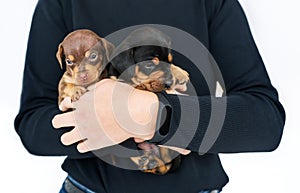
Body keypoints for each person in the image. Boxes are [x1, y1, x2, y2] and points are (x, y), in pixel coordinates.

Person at [14, 0, 285, 192]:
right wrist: (125, 123)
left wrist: (154, 115)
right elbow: (33, 125)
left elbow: (265, 121)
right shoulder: (62, 2)